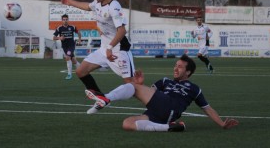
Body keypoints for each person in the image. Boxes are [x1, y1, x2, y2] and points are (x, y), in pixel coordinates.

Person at [85, 54, 239, 132]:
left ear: (189, 72)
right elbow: (150, 94)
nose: (175, 68)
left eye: (180, 67)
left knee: (133, 86)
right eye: (175, 65)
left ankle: (105, 98)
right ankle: (170, 128)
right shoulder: (165, 81)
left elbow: (207, 108)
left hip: (170, 105)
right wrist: (139, 85)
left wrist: (221, 124)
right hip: (161, 116)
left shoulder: (194, 88)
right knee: (127, 124)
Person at [61, 0, 135, 103]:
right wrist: (70, 2)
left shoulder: (114, 7)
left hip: (118, 50)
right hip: (104, 50)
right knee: (81, 71)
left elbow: (122, 31)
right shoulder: (97, 3)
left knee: (133, 87)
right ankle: (101, 98)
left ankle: (158, 108)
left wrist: (110, 48)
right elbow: (87, 6)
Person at [53, 14, 81, 80]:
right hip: (64, 46)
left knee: (67, 57)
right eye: (64, 20)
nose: (65, 21)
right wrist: (59, 38)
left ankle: (69, 74)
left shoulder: (72, 27)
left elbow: (79, 32)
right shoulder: (59, 28)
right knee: (74, 61)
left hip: (71, 45)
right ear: (62, 20)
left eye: (66, 19)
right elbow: (54, 37)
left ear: (68, 20)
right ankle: (83, 70)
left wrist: (79, 39)